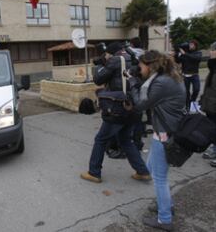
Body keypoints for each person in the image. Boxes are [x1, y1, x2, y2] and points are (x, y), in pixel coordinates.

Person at [126, 50, 186, 231]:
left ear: (150, 66)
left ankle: (165, 219)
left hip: (164, 134)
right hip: (163, 131)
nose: (139, 68)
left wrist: (133, 83)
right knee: (151, 169)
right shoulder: (165, 78)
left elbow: (141, 105)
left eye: (141, 65)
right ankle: (166, 204)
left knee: (160, 178)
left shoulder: (161, 82)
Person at [80, 42, 150, 183]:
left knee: (100, 139)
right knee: (125, 140)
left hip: (118, 108)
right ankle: (142, 171)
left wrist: (102, 64)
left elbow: (98, 80)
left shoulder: (115, 60)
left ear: (110, 53)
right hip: (134, 106)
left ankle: (94, 172)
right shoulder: (134, 58)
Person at [200, 42, 216, 167]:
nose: (210, 52)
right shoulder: (213, 67)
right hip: (211, 103)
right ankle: (213, 149)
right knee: (212, 127)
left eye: (213, 50)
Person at [175, 40, 202, 110]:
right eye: (190, 44)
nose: (190, 46)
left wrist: (184, 53)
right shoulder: (185, 53)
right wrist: (177, 52)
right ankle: (187, 105)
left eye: (192, 44)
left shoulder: (198, 53)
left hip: (194, 75)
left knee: (196, 89)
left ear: (195, 46)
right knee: (186, 92)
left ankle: (192, 101)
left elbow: (196, 58)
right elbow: (177, 61)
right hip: (185, 76)